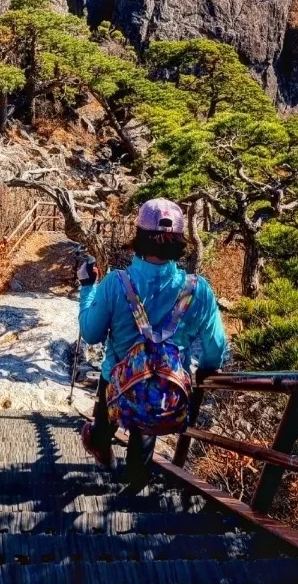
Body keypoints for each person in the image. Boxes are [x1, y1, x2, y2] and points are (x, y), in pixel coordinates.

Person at [77, 198, 227, 485]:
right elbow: (215, 349)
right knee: (146, 419)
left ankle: (100, 442)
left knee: (113, 399)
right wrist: (206, 372)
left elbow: (92, 333)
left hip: (118, 381)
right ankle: (135, 486)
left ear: (138, 237)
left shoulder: (115, 283)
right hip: (165, 388)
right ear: (179, 240)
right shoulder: (198, 289)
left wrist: (87, 288)